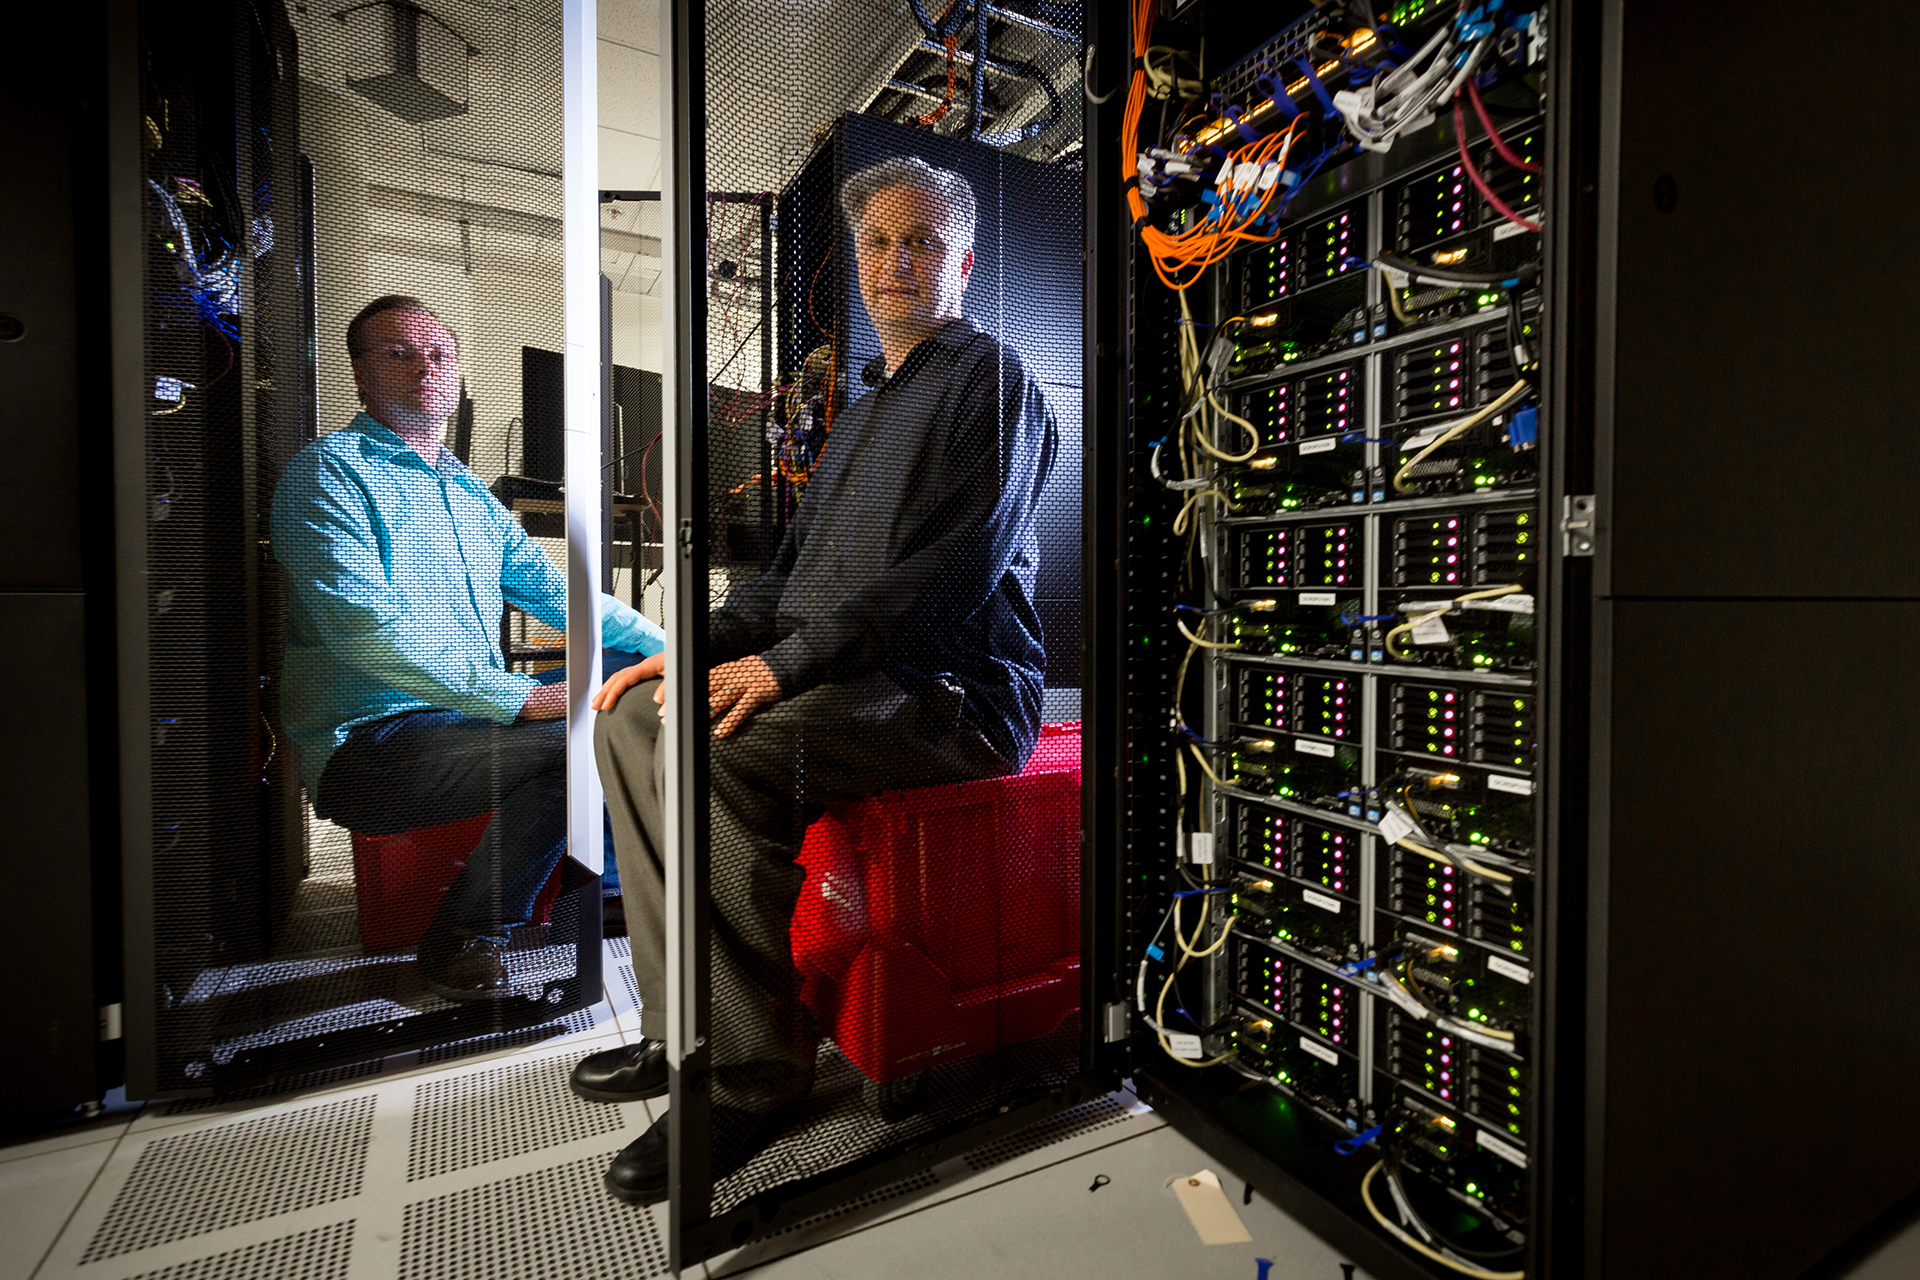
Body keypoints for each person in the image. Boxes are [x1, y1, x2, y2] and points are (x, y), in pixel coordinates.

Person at [572, 156, 1059, 1204]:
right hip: (857, 681)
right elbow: (786, 575)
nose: (898, 260)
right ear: (857, 260)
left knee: (724, 748)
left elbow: (954, 575)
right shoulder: (863, 406)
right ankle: (681, 1030)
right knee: (628, 727)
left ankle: (754, 1077)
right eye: (879, 240)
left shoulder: (997, 379)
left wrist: (780, 666)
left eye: (922, 239)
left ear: (963, 260)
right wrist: (693, 648)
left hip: (953, 695)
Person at [272, 295, 663, 1000]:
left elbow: (559, 593)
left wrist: (676, 648)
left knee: (615, 717)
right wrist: (520, 697)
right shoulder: (327, 475)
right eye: (398, 352)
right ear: (360, 375)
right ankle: (466, 936)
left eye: (439, 354)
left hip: (459, 728)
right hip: (369, 749)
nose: (425, 366)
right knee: (592, 738)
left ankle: (524, 917)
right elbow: (364, 629)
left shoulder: (471, 498)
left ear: (456, 376)